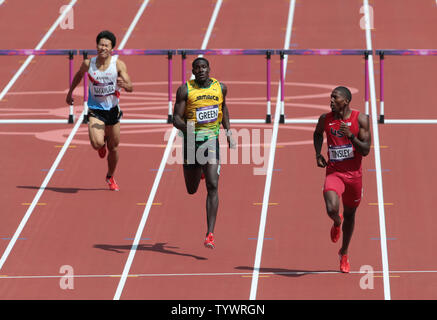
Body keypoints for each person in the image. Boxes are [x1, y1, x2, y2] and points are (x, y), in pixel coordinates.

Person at [173, 57, 235, 249]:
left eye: (203, 67)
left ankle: (210, 233)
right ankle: (198, 171)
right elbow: (175, 118)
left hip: (211, 141)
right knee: (191, 190)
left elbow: (223, 108)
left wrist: (229, 132)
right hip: (192, 143)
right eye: (196, 68)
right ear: (193, 71)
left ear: (209, 69)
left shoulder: (220, 88)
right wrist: (187, 128)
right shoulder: (185, 90)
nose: (200, 71)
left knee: (212, 185)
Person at [313, 86, 371, 273]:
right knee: (331, 208)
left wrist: (351, 136)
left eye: (334, 98)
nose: (330, 101)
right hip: (334, 173)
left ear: (345, 101)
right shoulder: (325, 119)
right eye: (330, 97)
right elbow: (316, 134)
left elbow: (365, 150)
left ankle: (344, 253)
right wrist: (317, 154)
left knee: (350, 215)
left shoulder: (361, 119)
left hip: (354, 176)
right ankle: (336, 222)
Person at [66, 30, 133, 191]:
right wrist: (70, 92)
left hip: (112, 111)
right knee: (96, 144)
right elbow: (78, 75)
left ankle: (110, 176)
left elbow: (130, 87)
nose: (103, 47)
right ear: (97, 46)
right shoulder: (89, 64)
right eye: (100, 44)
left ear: (111, 49)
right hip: (95, 110)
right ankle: (100, 144)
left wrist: (125, 85)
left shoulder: (117, 64)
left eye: (106, 45)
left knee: (114, 148)